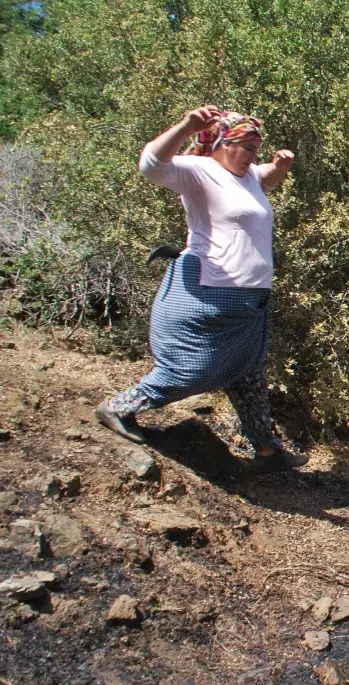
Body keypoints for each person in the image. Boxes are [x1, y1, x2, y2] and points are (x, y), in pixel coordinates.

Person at [94, 105, 307, 473]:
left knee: (249, 374)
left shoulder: (249, 175)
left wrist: (279, 168)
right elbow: (151, 165)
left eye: (257, 151)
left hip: (250, 300)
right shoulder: (199, 171)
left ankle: (267, 452)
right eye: (248, 149)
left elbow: (264, 180)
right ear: (224, 142)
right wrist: (186, 126)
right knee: (193, 368)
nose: (253, 158)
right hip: (210, 292)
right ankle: (119, 407)